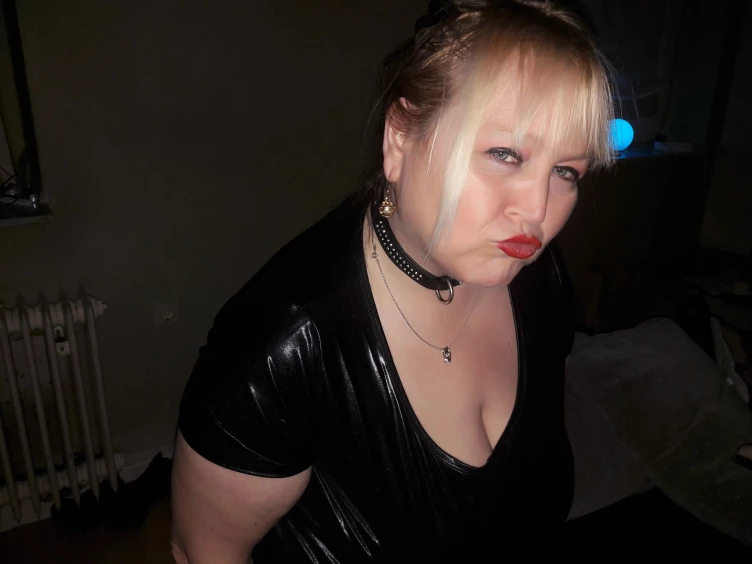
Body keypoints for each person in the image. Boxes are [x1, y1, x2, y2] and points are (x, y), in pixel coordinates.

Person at [171, 0, 615, 562]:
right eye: (505, 154)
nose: (538, 211)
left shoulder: (539, 280)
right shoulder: (280, 346)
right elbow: (202, 552)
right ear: (400, 137)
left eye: (566, 171)